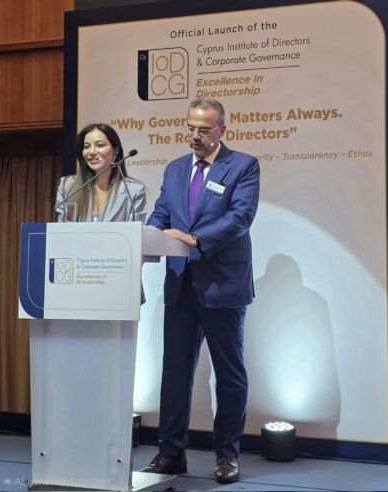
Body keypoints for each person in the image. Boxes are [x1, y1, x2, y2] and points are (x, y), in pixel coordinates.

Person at [144, 98, 260, 483]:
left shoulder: (243, 166)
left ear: (221, 130)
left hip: (223, 286)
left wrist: (195, 239)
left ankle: (227, 455)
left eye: (204, 129)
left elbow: (240, 217)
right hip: (181, 285)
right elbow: (162, 212)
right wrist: (149, 234)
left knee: (229, 374)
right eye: (191, 128)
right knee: (175, 373)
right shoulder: (175, 169)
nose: (195, 136)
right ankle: (170, 453)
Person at [55, 122, 147, 222]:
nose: (92, 152)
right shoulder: (67, 186)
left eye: (99, 145)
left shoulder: (134, 191)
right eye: (86, 146)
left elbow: (136, 230)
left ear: (116, 150)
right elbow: (61, 228)